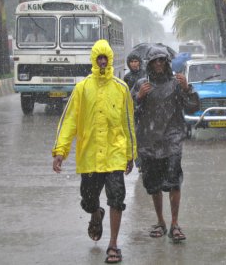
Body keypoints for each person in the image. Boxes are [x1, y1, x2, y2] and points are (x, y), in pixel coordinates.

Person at [52, 39, 137, 264]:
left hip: (115, 155)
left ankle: (113, 245)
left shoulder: (121, 88)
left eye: (105, 58)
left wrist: (130, 154)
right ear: (93, 60)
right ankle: (95, 213)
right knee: (88, 200)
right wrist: (60, 151)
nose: (101, 62)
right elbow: (69, 121)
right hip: (89, 156)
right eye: (98, 58)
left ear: (109, 60)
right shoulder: (82, 89)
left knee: (117, 199)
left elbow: (128, 123)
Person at [131, 46, 199, 242]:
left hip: (172, 141)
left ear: (167, 62)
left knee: (174, 182)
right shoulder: (141, 84)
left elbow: (193, 107)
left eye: (162, 60)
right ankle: (160, 221)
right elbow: (129, 113)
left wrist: (187, 89)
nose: (159, 64)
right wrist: (139, 97)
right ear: (149, 64)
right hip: (149, 142)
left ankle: (175, 223)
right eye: (155, 61)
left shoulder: (176, 83)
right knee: (154, 185)